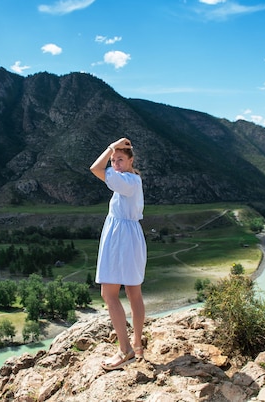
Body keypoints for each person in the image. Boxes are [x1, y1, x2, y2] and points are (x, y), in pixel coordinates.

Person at [89, 137, 147, 371]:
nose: (115, 163)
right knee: (133, 291)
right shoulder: (132, 180)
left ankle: (125, 350)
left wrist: (111, 146)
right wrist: (115, 151)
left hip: (120, 237)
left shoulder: (126, 181)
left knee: (109, 293)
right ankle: (137, 344)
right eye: (114, 160)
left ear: (131, 160)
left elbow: (95, 168)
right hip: (131, 236)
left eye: (120, 159)